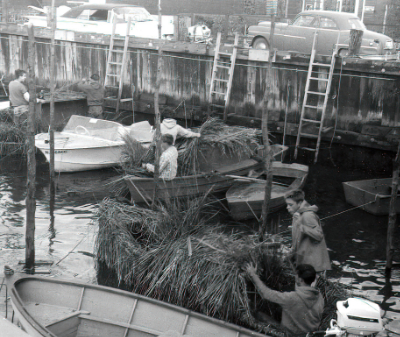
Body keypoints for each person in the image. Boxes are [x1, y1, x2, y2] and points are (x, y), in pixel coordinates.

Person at [246, 263, 324, 335]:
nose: (294, 276)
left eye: (296, 275)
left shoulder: (292, 298)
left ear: (300, 280)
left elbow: (266, 294)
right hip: (308, 334)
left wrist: (252, 274)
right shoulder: (319, 297)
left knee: (260, 315)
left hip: (288, 334)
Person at [285, 190, 331, 273]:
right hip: (306, 260)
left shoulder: (308, 215)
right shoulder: (298, 214)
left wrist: (301, 226)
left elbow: (319, 235)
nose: (287, 207)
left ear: (299, 204)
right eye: (287, 204)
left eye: (290, 205)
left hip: (313, 264)